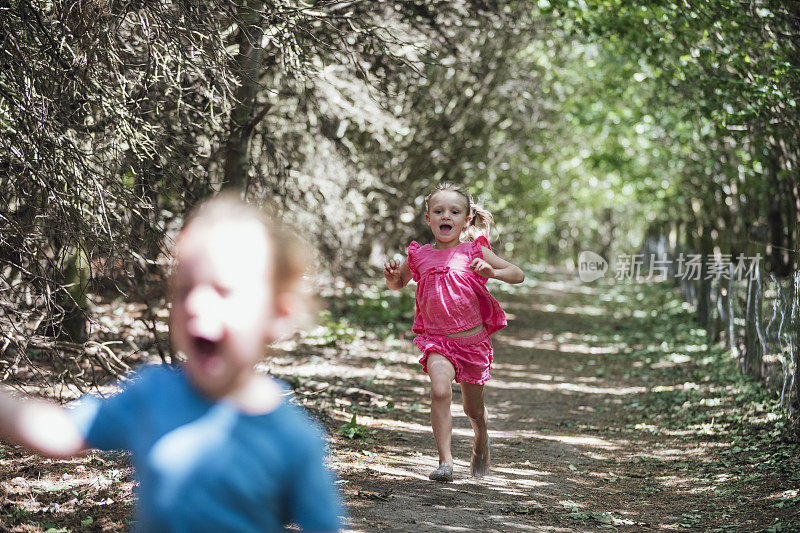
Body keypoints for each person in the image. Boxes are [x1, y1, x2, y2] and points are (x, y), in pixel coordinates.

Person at [0, 195, 343, 532]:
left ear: (277, 315)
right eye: (184, 289)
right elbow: (62, 432)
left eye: (222, 290)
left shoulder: (292, 439)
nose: (195, 303)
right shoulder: (151, 394)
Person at [384, 183, 524, 482]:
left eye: (454, 211)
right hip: (437, 341)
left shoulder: (475, 250)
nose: (445, 216)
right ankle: (445, 462)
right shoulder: (418, 256)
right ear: (428, 219)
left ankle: (481, 437)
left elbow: (517, 274)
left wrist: (492, 271)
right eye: (438, 211)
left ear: (467, 219)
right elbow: (398, 283)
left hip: (472, 342)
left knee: (473, 409)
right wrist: (393, 277)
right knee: (439, 390)